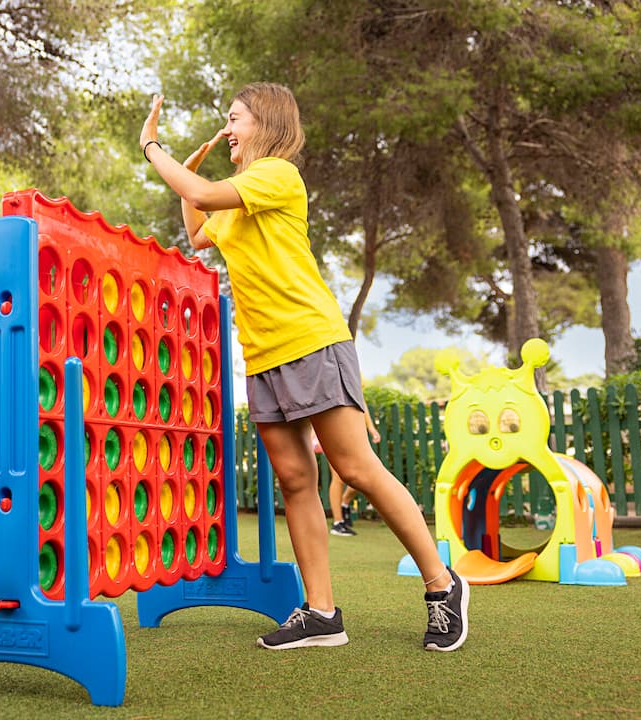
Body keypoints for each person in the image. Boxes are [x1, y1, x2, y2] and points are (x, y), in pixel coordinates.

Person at [139, 83, 469, 652]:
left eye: (235, 119)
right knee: (295, 480)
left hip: (310, 340)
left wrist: (153, 148)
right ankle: (321, 613)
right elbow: (197, 232)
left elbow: (201, 193)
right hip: (263, 353)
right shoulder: (236, 203)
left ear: (265, 124)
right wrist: (188, 171)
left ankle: (443, 584)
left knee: (356, 468)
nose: (228, 129)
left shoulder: (277, 175)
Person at [320, 408, 380, 537]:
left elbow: (361, 402)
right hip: (330, 426)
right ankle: (338, 523)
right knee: (338, 477)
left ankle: (344, 503)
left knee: (360, 475)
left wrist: (371, 427)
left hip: (350, 428)